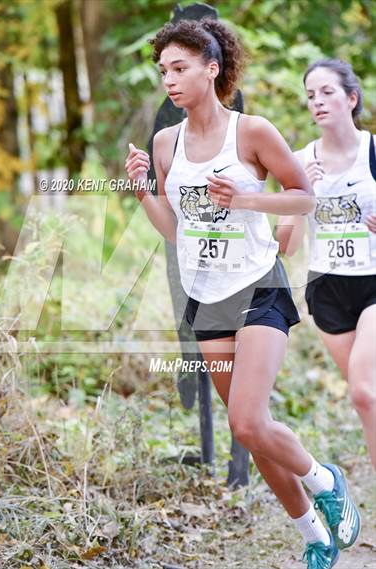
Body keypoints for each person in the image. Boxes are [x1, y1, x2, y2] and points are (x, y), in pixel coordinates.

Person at [125, 20, 360, 568]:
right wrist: (142, 191)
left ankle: (325, 478)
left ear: (212, 68)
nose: (170, 80)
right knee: (254, 435)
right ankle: (313, 536)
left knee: (247, 421)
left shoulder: (251, 132)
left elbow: (302, 198)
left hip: (259, 284)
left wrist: (246, 202)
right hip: (208, 297)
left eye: (180, 68)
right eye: (163, 71)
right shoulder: (166, 143)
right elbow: (174, 227)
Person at [276, 59, 376, 473]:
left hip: (373, 282)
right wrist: (303, 195)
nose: (317, 101)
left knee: (364, 392)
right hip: (327, 288)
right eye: (310, 95)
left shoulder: (373, 151)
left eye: (327, 92)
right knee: (368, 398)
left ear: (351, 98)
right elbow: (287, 246)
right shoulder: (300, 162)